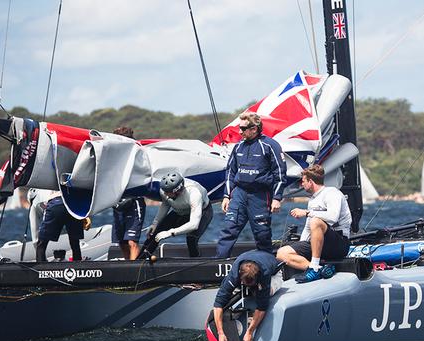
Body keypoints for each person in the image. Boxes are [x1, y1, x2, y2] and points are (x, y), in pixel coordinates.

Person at [216, 112, 287, 258]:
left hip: (260, 195)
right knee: (229, 229)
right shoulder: (238, 147)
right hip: (239, 194)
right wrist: (226, 196)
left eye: (243, 129)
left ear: (254, 129)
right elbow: (230, 172)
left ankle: (266, 265)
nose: (239, 132)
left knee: (262, 234)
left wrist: (277, 198)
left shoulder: (270, 145)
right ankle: (217, 265)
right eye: (239, 128)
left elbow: (280, 174)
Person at [276, 164, 352, 283]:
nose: (302, 184)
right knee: (282, 253)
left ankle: (314, 268)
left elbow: (332, 217)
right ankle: (318, 269)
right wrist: (299, 246)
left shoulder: (332, 193)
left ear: (310, 182)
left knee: (315, 221)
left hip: (339, 244)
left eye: (303, 181)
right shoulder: (313, 200)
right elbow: (307, 228)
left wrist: (306, 213)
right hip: (319, 244)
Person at [212, 249, 279, 341]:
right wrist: (220, 333)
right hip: (248, 261)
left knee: (266, 293)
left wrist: (250, 332)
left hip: (275, 273)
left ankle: (253, 289)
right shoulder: (234, 274)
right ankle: (245, 289)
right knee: (227, 293)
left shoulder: (265, 273)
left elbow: (262, 308)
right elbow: (218, 304)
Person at [139, 171, 213, 258]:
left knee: (191, 238)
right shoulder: (164, 190)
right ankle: (140, 260)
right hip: (180, 211)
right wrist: (155, 223)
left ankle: (195, 263)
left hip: (203, 211)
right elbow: (166, 204)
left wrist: (171, 232)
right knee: (155, 233)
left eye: (168, 193)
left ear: (178, 190)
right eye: (164, 192)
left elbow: (194, 225)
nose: (165, 194)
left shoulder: (194, 193)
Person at [111, 126, 146, 260]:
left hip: (134, 201)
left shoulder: (137, 152)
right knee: (121, 242)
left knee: (132, 241)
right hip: (118, 202)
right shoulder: (114, 156)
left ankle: (133, 271)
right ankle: (128, 267)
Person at [36, 191, 89, 262]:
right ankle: (77, 265)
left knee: (42, 243)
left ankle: (40, 267)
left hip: (56, 204)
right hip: (73, 206)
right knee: (75, 242)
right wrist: (85, 215)